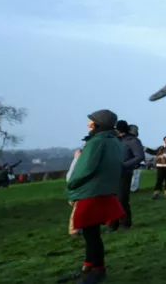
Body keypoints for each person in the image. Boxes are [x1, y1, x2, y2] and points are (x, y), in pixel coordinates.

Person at [57, 110, 125, 283]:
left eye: (91, 121)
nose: (88, 124)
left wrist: (71, 183)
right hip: (104, 191)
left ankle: (98, 270)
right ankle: (88, 266)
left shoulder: (96, 142)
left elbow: (85, 168)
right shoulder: (115, 141)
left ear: (98, 124)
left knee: (91, 235)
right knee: (91, 233)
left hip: (90, 193)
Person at [109, 120, 144, 231]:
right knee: (111, 200)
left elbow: (139, 156)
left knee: (122, 199)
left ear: (119, 129)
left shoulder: (132, 141)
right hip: (112, 173)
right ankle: (113, 225)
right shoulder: (114, 140)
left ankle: (125, 224)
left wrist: (124, 165)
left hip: (124, 173)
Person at [127, 125, 142, 192]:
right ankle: (133, 188)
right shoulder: (135, 140)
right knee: (135, 175)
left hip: (129, 160)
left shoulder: (123, 139)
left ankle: (132, 188)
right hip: (132, 160)